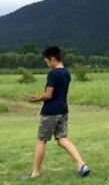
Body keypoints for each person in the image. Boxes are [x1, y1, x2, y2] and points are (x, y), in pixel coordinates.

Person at [26, 46, 90, 179]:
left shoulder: (53, 73)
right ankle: (81, 164)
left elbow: (48, 95)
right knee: (61, 139)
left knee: (41, 140)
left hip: (51, 112)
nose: (48, 64)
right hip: (63, 110)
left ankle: (35, 173)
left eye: (47, 62)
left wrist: (34, 99)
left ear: (53, 59)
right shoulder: (67, 72)